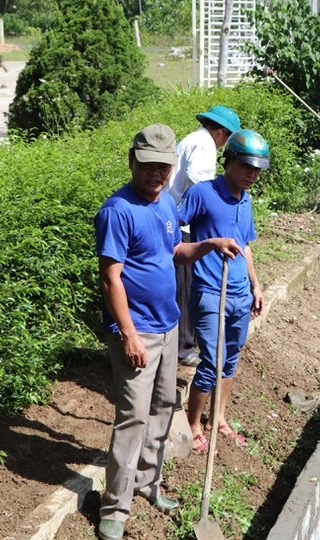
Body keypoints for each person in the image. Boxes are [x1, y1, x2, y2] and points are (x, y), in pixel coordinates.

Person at [95, 124, 244, 540]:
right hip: (138, 331)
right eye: (148, 166)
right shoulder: (118, 211)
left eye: (163, 166)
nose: (156, 174)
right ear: (132, 162)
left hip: (168, 324)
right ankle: (115, 507)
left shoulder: (164, 205)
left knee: (164, 406)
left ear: (172, 166)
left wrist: (209, 244)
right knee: (132, 417)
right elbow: (111, 278)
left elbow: (174, 252)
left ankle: (147, 483)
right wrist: (127, 334)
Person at [179, 129, 269, 452]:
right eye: (246, 165)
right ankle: (192, 425)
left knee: (230, 361)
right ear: (229, 160)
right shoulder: (203, 194)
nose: (251, 174)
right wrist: (206, 246)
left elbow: (245, 246)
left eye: (257, 169)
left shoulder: (246, 202)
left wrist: (256, 286)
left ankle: (217, 419)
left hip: (240, 295)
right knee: (211, 362)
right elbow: (174, 228)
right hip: (209, 292)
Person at [166, 106, 242, 368]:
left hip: (178, 218)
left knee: (185, 285)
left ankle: (187, 341)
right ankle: (183, 348)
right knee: (186, 288)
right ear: (222, 132)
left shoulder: (194, 139)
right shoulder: (205, 145)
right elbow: (199, 183)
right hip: (183, 223)